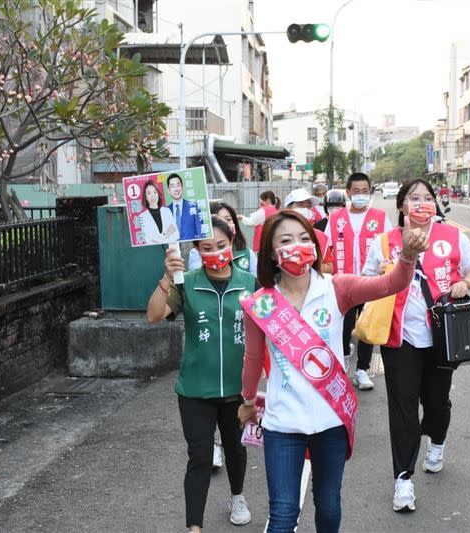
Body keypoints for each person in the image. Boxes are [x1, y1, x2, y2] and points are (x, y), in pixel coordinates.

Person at [238, 210, 429, 532]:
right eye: (285, 241)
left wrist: (408, 255)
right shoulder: (261, 304)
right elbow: (253, 358)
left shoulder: (336, 288)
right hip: (283, 423)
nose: (296, 246)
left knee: (328, 505)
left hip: (331, 420)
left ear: (314, 245)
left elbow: (391, 283)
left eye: (303, 239)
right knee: (283, 513)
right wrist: (246, 400)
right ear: (271, 252)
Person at [361, 178, 470, 513]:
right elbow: (366, 279)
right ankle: (403, 479)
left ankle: (438, 441)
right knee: (402, 407)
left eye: (427, 198)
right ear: (401, 205)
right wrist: (388, 275)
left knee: (437, 401)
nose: (421, 204)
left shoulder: (452, 236)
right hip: (399, 335)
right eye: (414, 198)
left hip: (443, 335)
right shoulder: (385, 242)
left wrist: (461, 283)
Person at [147, 216, 255, 531]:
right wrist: (167, 277)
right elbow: (154, 315)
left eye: (221, 245)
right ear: (197, 249)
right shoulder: (187, 283)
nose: (215, 252)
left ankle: (238, 496)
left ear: (232, 242)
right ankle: (194, 526)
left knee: (236, 450)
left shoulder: (251, 283)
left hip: (238, 390)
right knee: (200, 457)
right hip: (195, 390)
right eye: (207, 247)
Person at [325, 172, 392, 391]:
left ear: (370, 191)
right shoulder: (336, 219)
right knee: (342, 325)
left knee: (367, 324)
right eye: (356, 192)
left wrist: (387, 264)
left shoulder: (380, 217)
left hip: (370, 281)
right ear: (348, 193)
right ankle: (342, 363)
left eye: (365, 191)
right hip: (342, 282)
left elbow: (392, 246)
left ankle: (362, 370)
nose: (361, 195)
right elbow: (326, 250)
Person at [189, 201, 257, 275]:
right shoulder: (197, 253)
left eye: (228, 219)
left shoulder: (247, 254)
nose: (224, 224)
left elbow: (255, 282)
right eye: (219, 220)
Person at [167, 173, 205, 240]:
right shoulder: (165, 211)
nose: (176, 189)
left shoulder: (194, 206)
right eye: (172, 186)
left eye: (178, 185)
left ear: (182, 187)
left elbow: (201, 232)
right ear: (169, 190)